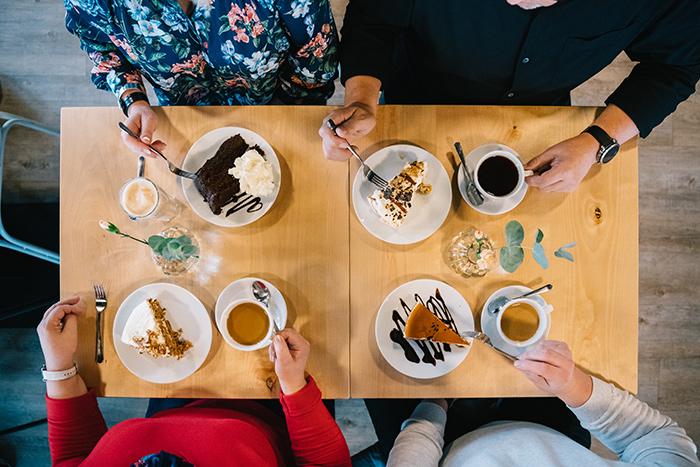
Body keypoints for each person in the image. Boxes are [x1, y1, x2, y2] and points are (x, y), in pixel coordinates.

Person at [319, 0, 700, 192]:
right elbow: (374, 20)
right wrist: (362, 98)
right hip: (414, 94)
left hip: (544, 126)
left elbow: (677, 66)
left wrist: (596, 142)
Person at [37, 296, 351, 466]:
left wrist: (59, 366)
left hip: (173, 401)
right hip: (279, 410)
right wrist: (294, 384)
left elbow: (74, 456)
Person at [64, 0, 339, 158]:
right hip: (180, 124)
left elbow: (315, 65)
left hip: (278, 111)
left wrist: (287, 122)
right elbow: (102, 48)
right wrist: (134, 101)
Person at [383, 340, 699, 466]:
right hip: (553, 427)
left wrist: (435, 405)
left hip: (440, 441)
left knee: (385, 362)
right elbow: (655, 438)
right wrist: (575, 387)